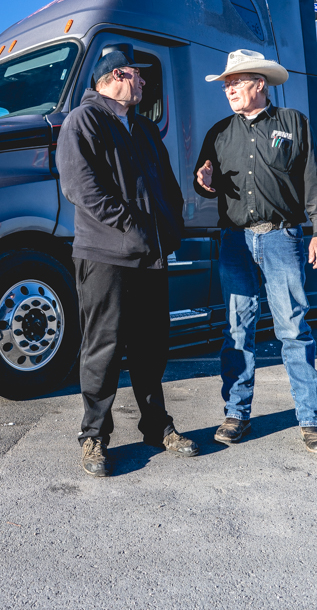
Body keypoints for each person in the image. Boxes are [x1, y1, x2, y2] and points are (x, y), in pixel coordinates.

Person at [56, 50, 198, 477]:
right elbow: (82, 188)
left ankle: (157, 426)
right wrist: (134, 230)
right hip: (105, 255)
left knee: (152, 346)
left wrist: (170, 230)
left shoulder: (143, 128)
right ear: (116, 75)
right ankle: (94, 436)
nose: (144, 84)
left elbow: (167, 185)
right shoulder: (82, 121)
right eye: (138, 76)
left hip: (151, 256)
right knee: (103, 346)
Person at [194, 49, 317, 453]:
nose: (228, 89)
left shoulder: (293, 123)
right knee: (236, 330)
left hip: (282, 237)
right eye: (226, 84)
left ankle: (310, 418)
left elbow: (311, 180)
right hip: (235, 241)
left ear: (259, 84)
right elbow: (202, 181)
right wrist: (204, 181)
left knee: (293, 329)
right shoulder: (218, 133)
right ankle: (236, 413)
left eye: (236, 82)